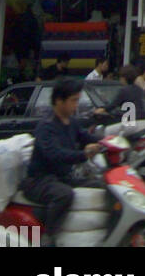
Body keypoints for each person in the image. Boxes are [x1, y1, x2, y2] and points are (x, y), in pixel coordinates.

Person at [23, 77, 103, 245]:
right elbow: (55, 154)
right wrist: (84, 154)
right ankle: (49, 236)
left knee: (101, 184)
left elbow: (86, 137)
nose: (76, 105)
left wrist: (106, 141)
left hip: (62, 177)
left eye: (77, 100)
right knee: (64, 195)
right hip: (40, 180)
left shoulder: (71, 122)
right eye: (73, 101)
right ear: (59, 101)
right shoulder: (46, 126)